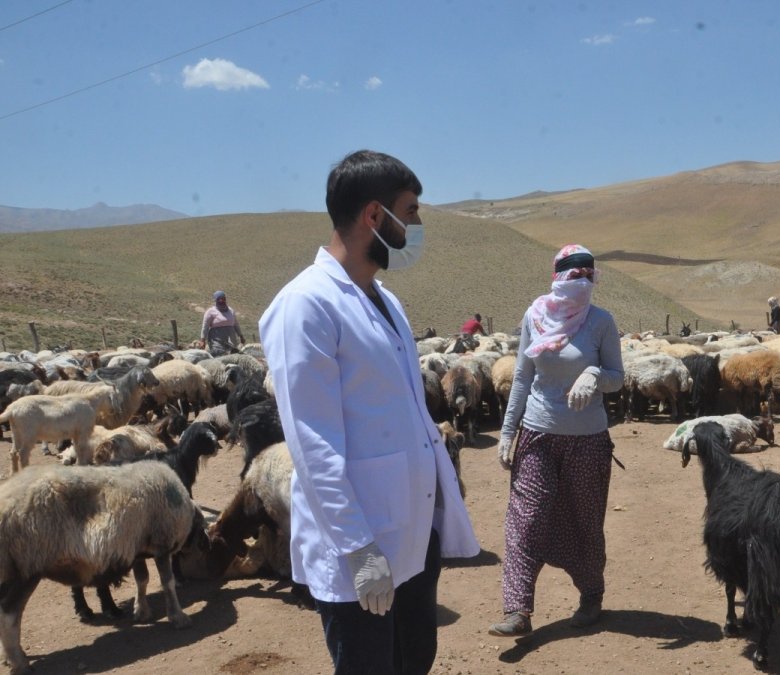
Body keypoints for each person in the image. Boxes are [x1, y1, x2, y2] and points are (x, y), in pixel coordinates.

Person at [259, 150, 479, 675]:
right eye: (413, 210)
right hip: (362, 543)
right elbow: (312, 443)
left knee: (413, 661)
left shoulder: (385, 300)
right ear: (375, 217)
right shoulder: (306, 305)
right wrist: (359, 549)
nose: (419, 224)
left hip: (410, 534)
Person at [488, 244, 624, 638]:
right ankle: (517, 609)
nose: (582, 283)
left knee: (585, 523)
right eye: (574, 275)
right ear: (558, 277)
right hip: (538, 433)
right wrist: (508, 431)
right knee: (526, 519)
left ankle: (591, 594)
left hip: (588, 440)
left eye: (588, 275)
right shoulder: (535, 316)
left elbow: (618, 376)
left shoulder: (601, 322)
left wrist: (596, 374)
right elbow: (521, 377)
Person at [200, 290, 245, 356]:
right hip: (216, 340)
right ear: (216, 300)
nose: (222, 301)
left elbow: (236, 324)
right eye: (219, 299)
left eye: (223, 299)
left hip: (231, 339)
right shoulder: (210, 311)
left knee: (233, 356)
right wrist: (202, 340)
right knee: (219, 356)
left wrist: (241, 336)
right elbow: (205, 326)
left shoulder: (230, 310)